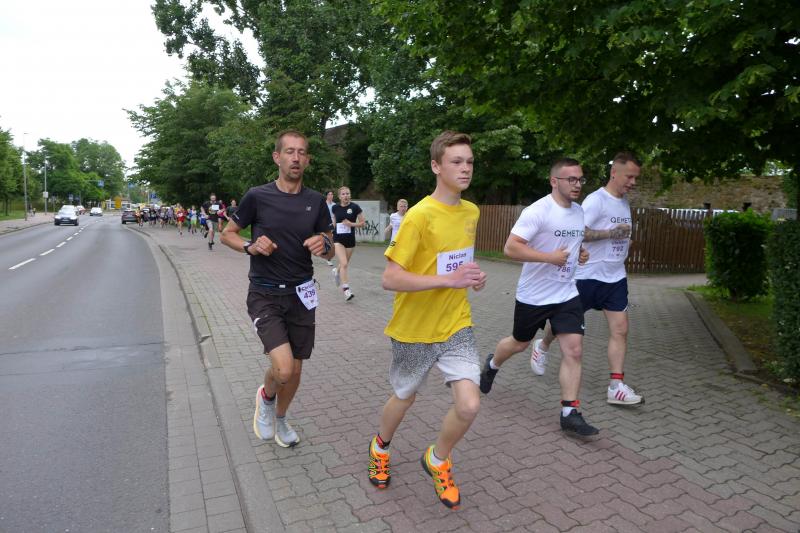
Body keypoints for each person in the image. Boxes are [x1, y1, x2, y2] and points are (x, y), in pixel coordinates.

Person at [367, 131, 487, 510]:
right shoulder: (418, 216)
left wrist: (472, 277)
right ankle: (380, 447)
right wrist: (448, 280)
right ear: (436, 166)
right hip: (414, 329)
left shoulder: (471, 212)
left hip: (456, 324)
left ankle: (437, 459)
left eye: (469, 162)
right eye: (456, 162)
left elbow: (457, 262)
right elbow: (390, 278)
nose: (465, 168)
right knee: (405, 396)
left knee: (469, 405)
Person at [221, 129, 335, 448]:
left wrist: (324, 244)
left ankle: (281, 418)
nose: (296, 158)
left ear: (307, 160)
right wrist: (250, 246)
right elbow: (228, 234)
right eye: (289, 152)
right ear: (277, 157)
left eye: (301, 152)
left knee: (296, 370)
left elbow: (329, 246)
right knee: (283, 369)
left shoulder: (315, 201)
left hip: (302, 294)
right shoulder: (258, 196)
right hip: (265, 293)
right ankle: (266, 397)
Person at [479, 158, 597, 437]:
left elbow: (571, 242)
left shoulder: (579, 211)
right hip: (534, 295)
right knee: (519, 343)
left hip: (566, 292)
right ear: (554, 181)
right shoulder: (538, 211)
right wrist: (548, 258)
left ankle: (569, 413)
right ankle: (492, 365)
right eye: (571, 179)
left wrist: (580, 252)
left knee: (574, 350)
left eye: (580, 179)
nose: (577, 184)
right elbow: (511, 248)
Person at [534, 152, 643, 406]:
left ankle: (616, 387)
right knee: (561, 326)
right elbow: (579, 232)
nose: (633, 183)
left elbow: (619, 234)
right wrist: (611, 233)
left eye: (636, 178)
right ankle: (543, 345)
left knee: (621, 330)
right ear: (614, 173)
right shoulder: (596, 200)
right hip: (587, 277)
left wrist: (624, 241)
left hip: (615, 277)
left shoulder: (624, 202)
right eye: (629, 177)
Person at [331, 186, 365, 301]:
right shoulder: (335, 207)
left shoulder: (355, 207)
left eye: (348, 194)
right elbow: (334, 223)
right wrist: (329, 233)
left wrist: (351, 224)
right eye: (343, 194)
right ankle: (346, 290)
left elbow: (363, 223)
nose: (346, 196)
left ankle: (336, 271)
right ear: (339, 196)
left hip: (350, 240)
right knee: (344, 264)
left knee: (343, 264)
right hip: (338, 239)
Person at [324, 191, 335, 266]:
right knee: (325, 241)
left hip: (332, 224)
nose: (330, 196)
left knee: (331, 242)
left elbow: (335, 216)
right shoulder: (323, 204)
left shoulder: (334, 205)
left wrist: (334, 225)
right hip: (324, 224)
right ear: (326, 196)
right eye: (329, 194)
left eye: (332, 194)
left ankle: (328, 258)